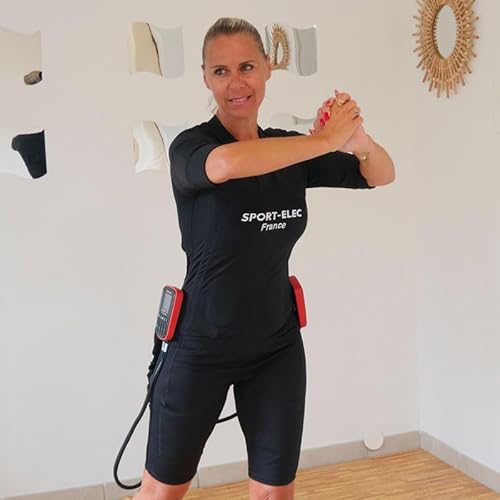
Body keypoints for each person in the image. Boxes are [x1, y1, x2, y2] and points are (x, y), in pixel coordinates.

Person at [133, 16, 395, 500]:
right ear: (206, 78)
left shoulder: (288, 151)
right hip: (200, 346)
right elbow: (225, 165)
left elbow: (381, 174)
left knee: (275, 493)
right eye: (221, 71)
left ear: (268, 69)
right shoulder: (192, 147)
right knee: (159, 493)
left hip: (276, 348)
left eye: (247, 67)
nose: (236, 83)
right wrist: (323, 141)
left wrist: (358, 142)